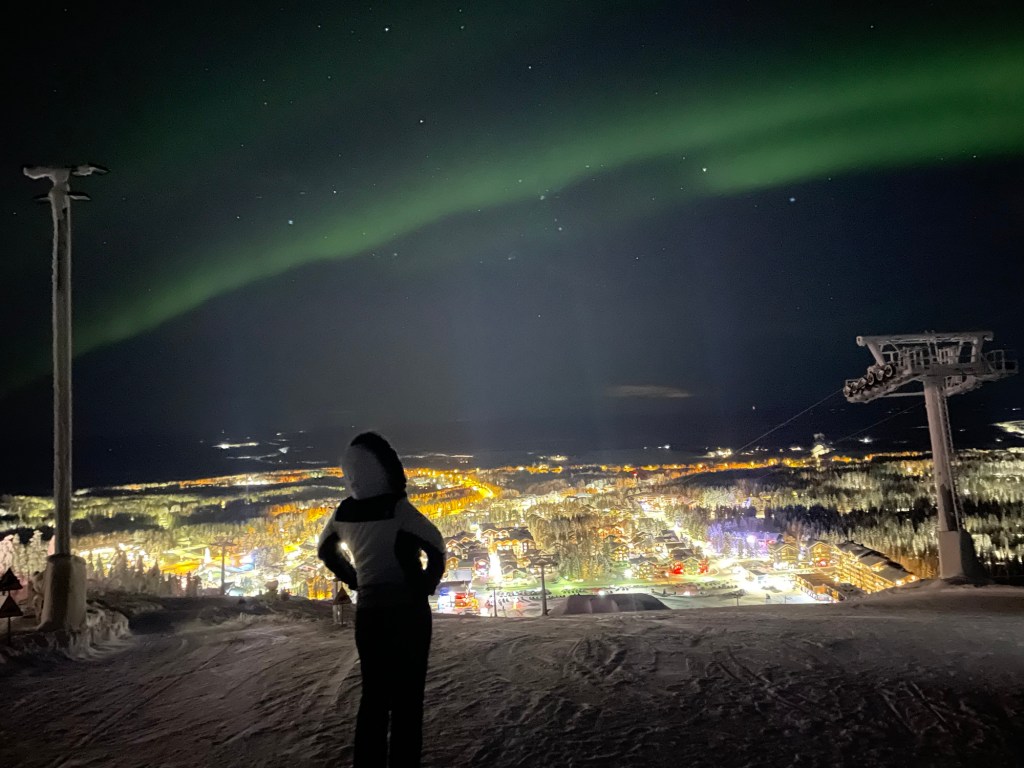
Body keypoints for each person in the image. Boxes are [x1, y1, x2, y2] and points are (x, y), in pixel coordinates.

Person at [317, 432, 445, 768]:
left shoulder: (343, 512)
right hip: (409, 613)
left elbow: (326, 551)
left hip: (370, 613)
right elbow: (436, 546)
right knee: (408, 698)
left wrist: (355, 579)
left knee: (373, 696)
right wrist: (425, 584)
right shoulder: (398, 509)